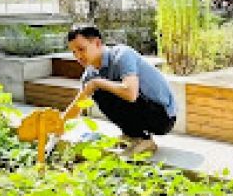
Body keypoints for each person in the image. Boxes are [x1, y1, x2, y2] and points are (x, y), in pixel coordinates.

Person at [63, 25, 176, 157]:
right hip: (144, 111)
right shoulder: (89, 75)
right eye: (74, 52)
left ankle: (144, 140)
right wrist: (57, 123)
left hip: (163, 117)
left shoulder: (122, 55)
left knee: (101, 88)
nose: (78, 56)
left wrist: (97, 83)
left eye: (81, 49)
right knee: (98, 90)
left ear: (98, 43)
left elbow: (131, 94)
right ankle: (133, 135)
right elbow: (78, 106)